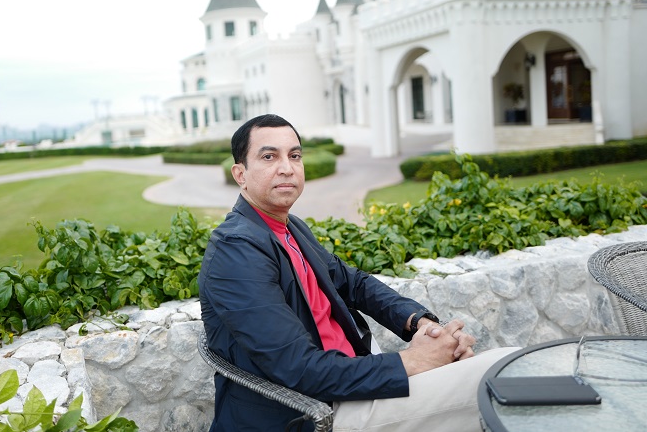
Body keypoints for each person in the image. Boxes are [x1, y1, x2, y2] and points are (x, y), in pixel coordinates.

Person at [198, 114, 518, 431]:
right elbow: (299, 368)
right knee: (506, 375)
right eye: (269, 157)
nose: (287, 167)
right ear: (240, 174)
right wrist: (415, 360)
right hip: (316, 412)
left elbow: (356, 284)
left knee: (507, 365)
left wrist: (422, 325)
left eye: (294, 156)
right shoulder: (236, 251)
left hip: (356, 380)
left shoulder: (290, 228)